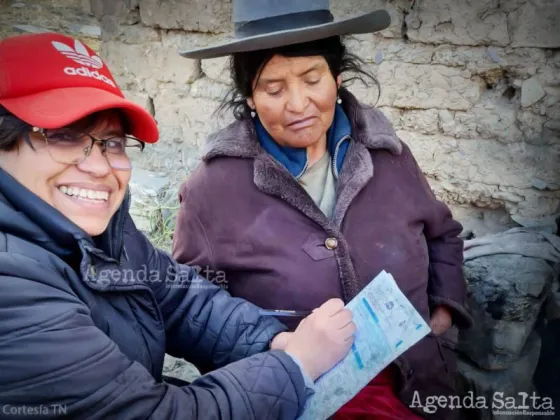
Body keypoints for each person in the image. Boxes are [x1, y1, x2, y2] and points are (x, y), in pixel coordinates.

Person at [0, 32, 357, 420]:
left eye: (113, 143)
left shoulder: (103, 237)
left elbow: (180, 297)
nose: (100, 166)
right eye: (63, 137)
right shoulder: (13, 288)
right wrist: (295, 367)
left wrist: (274, 341)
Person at [172, 1, 473, 419]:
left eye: (313, 79)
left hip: (416, 389)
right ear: (251, 98)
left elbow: (442, 235)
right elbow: (191, 305)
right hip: (296, 402)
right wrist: (268, 363)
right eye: (273, 90)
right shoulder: (214, 187)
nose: (298, 104)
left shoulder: (386, 154)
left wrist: (440, 322)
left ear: (337, 78)